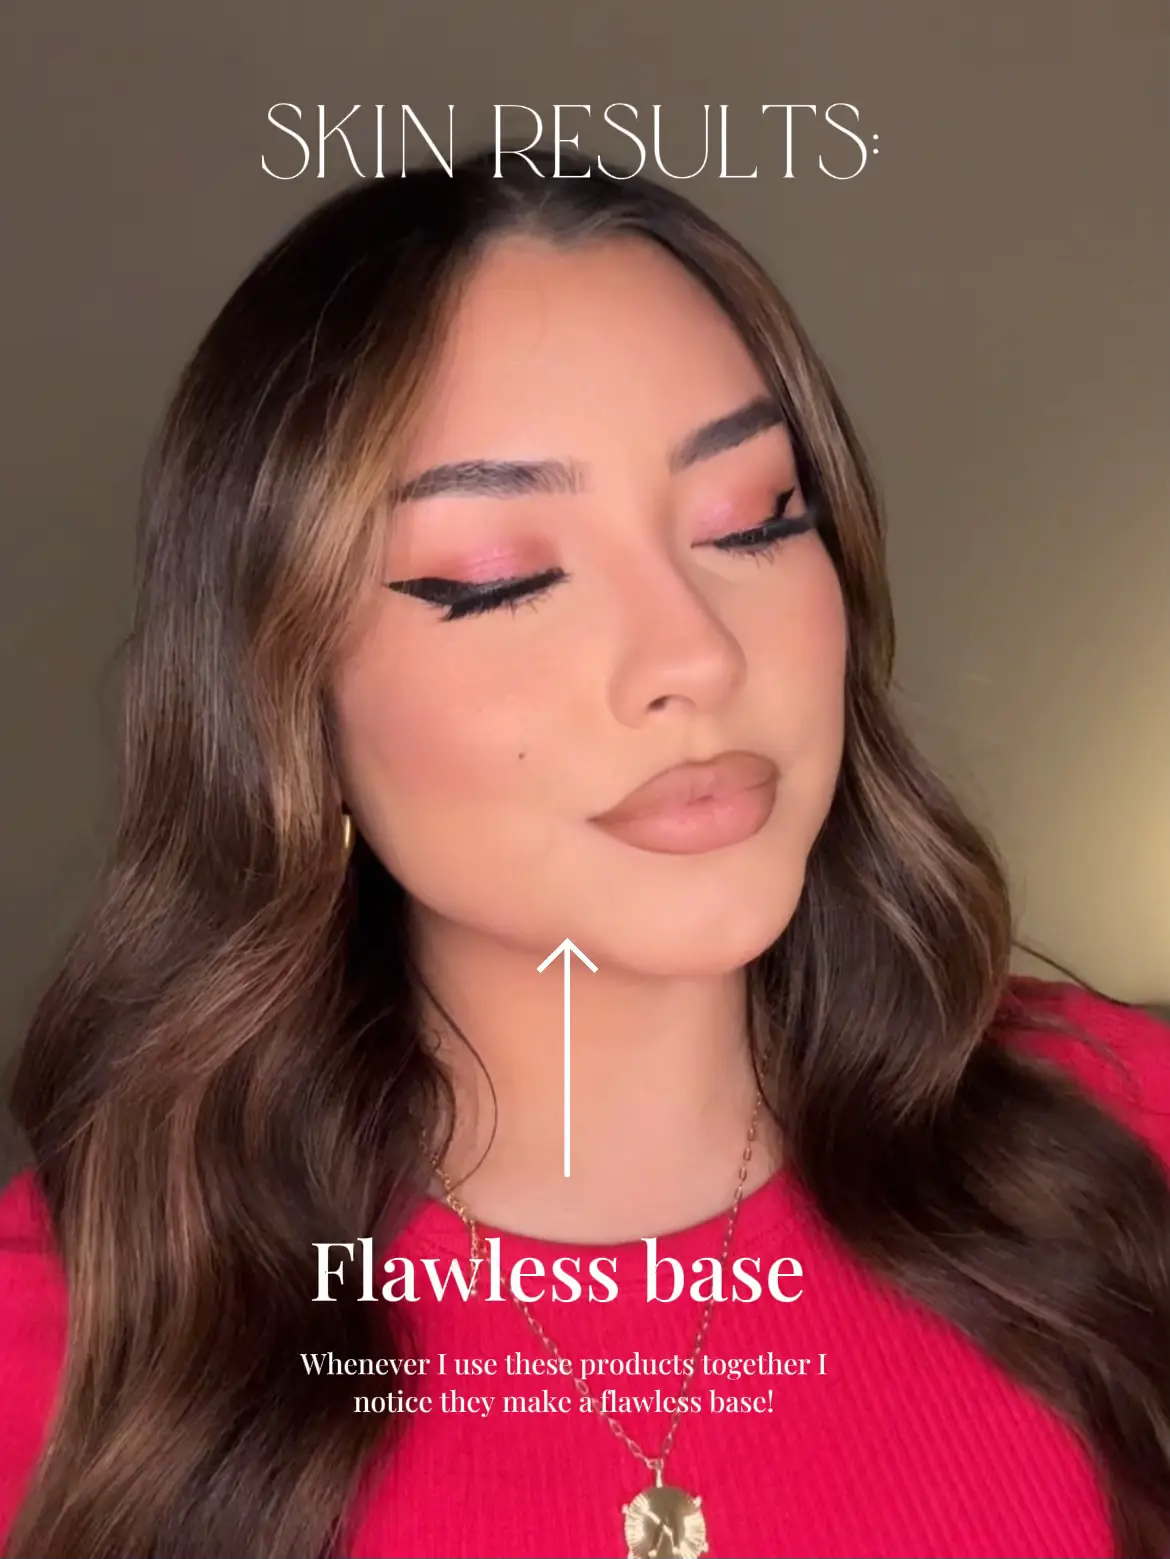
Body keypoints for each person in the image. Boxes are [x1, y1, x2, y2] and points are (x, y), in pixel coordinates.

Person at [1, 144, 1169, 1559]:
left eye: (752, 519)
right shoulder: (67, 1349)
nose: (693, 653)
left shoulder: (1135, 1140)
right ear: (285, 703)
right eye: (501, 579)